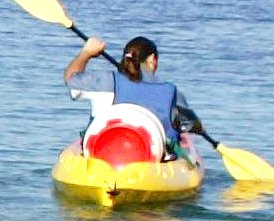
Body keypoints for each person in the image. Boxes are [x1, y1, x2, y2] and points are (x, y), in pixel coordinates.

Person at [64, 34, 210, 161]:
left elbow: (70, 78)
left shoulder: (105, 81)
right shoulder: (171, 92)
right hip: (153, 161)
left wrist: (86, 53)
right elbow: (189, 123)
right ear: (153, 60)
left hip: (101, 153)